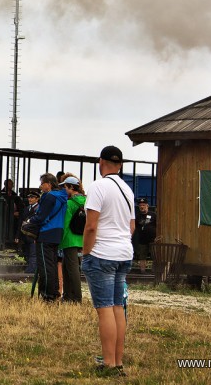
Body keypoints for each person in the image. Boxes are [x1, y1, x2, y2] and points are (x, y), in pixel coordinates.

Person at [81, 145, 135, 377]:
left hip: (102, 254)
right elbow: (131, 226)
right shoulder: (127, 189)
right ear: (120, 165)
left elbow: (91, 226)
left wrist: (86, 253)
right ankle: (118, 361)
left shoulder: (98, 186)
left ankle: (109, 364)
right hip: (124, 253)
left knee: (104, 310)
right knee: (117, 308)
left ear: (100, 162)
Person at [24, 173, 67, 301]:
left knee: (45, 266)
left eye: (42, 183)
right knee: (52, 265)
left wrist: (30, 221)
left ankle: (48, 295)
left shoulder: (49, 197)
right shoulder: (62, 196)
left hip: (46, 233)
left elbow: (41, 217)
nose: (40, 186)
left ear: (48, 184)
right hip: (57, 232)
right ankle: (54, 292)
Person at [59, 175, 85, 303]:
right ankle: (68, 296)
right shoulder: (86, 201)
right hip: (81, 238)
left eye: (65, 187)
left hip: (69, 239)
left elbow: (65, 223)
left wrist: (59, 240)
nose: (64, 189)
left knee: (72, 269)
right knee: (68, 267)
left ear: (70, 187)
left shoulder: (69, 203)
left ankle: (74, 297)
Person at [134, 198, 157, 273]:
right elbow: (135, 227)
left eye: (143, 205)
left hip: (153, 239)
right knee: (142, 256)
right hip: (142, 240)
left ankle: (154, 271)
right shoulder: (138, 217)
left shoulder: (153, 215)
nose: (142, 207)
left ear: (147, 206)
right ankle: (142, 271)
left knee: (155, 256)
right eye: (140, 205)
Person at [1, 179, 24, 247]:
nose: (11, 186)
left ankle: (15, 239)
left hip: (14, 216)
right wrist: (11, 213)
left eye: (11, 184)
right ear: (5, 184)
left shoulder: (15, 195)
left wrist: (18, 212)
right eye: (9, 184)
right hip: (4, 216)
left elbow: (20, 205)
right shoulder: (1, 193)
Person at [22, 190, 40, 273]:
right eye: (29, 197)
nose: (30, 199)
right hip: (26, 233)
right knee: (27, 253)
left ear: (37, 199)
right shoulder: (26, 208)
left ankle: (31, 271)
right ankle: (30, 269)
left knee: (33, 253)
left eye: (32, 197)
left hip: (33, 234)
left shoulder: (38, 209)